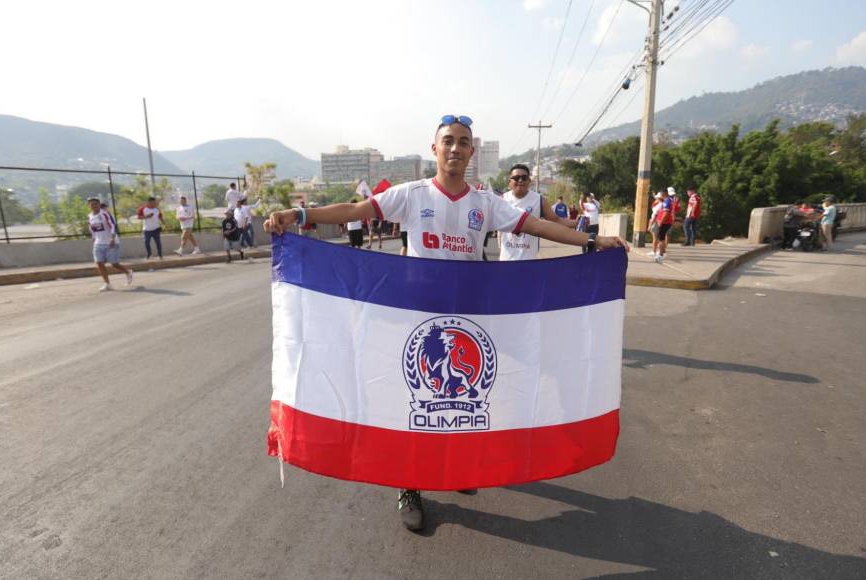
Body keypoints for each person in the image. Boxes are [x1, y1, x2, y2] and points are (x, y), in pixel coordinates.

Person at [263, 114, 628, 532]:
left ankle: (457, 471)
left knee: (467, 402)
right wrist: (300, 213)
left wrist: (592, 241)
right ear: (434, 149)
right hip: (416, 317)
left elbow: (538, 225)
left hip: (470, 316)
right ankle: (409, 486)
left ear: (472, 152)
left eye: (463, 142)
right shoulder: (411, 195)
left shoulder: (486, 202)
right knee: (410, 403)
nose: (455, 148)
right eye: (448, 141)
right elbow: (355, 209)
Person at [499, 163, 578, 261]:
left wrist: (577, 223)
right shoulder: (502, 200)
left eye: (524, 178)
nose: (520, 180)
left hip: (529, 261)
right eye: (516, 177)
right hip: (506, 261)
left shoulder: (539, 200)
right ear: (509, 182)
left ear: (529, 181)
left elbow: (556, 221)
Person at [87, 197, 133, 291]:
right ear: (89, 206)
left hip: (111, 242)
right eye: (92, 204)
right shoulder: (90, 216)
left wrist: (112, 238)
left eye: (96, 204)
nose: (94, 206)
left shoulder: (105, 214)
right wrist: (94, 240)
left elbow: (112, 225)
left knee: (114, 264)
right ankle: (107, 284)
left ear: (99, 205)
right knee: (99, 263)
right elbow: (92, 229)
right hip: (98, 243)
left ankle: (128, 272)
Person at [652, 190, 674, 263]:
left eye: (660, 194)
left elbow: (666, 213)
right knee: (661, 238)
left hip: (665, 223)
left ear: (663, 194)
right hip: (666, 222)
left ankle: (661, 254)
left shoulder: (667, 201)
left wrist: (661, 222)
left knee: (661, 239)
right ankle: (662, 252)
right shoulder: (667, 200)